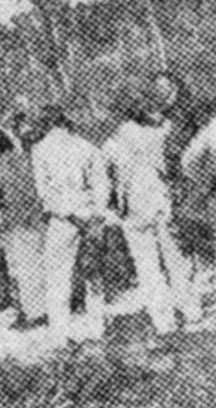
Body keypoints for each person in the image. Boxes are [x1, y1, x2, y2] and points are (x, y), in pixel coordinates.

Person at [105, 99, 199, 336]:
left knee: (147, 266)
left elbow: (106, 179)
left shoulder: (112, 143)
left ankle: (163, 321)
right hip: (161, 202)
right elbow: (174, 161)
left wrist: (114, 207)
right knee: (175, 259)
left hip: (133, 208)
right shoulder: (156, 135)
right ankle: (190, 310)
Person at [32, 105, 111, 342]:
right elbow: (102, 186)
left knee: (58, 277)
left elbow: (44, 193)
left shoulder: (40, 150)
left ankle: (60, 335)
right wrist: (95, 216)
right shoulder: (87, 147)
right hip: (90, 216)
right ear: (66, 122)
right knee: (93, 273)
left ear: (46, 124)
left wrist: (70, 214)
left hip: (62, 220)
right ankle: (96, 328)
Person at [0, 125, 47, 329]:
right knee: (40, 263)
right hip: (37, 220)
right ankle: (46, 309)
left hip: (15, 224)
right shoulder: (28, 161)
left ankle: (30, 314)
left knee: (21, 270)